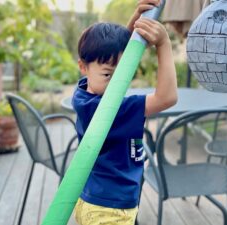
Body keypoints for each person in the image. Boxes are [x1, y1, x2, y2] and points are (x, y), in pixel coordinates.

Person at [72, 0, 177, 224]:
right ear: (83, 66)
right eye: (108, 75)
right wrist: (163, 44)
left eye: (122, 73)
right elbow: (167, 98)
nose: (117, 83)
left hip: (94, 198)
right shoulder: (113, 109)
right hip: (109, 208)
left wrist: (135, 23)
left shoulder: (83, 95)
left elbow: (114, 57)